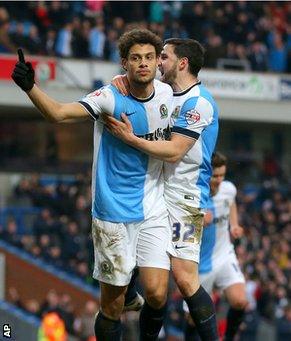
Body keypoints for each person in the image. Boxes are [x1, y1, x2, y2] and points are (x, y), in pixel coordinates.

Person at [11, 29, 174, 341]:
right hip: (112, 212)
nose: (143, 64)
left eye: (149, 58)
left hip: (154, 207)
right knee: (111, 307)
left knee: (156, 294)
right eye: (136, 58)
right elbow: (58, 114)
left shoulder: (168, 95)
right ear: (125, 63)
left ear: (157, 63)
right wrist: (30, 87)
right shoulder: (108, 97)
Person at [106, 38, 219, 340]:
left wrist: (131, 140)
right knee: (153, 286)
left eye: (164, 58)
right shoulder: (168, 94)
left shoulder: (199, 102)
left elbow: (174, 151)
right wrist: (122, 79)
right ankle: (131, 293)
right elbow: (140, 86)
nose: (157, 63)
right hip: (155, 189)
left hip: (185, 196)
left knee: (184, 279)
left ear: (182, 63)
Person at [184, 152, 248, 341]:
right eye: (215, 176)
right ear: (206, 173)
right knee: (193, 319)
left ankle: (228, 338)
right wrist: (196, 220)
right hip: (199, 265)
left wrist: (234, 225)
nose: (219, 180)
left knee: (240, 301)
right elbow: (177, 227)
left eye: (222, 175)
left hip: (224, 255)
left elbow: (231, 204)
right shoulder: (194, 194)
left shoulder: (228, 189)